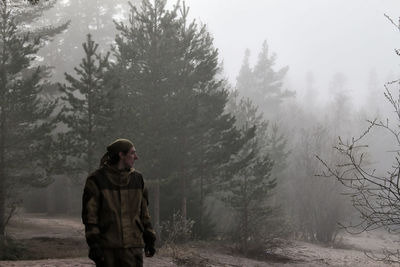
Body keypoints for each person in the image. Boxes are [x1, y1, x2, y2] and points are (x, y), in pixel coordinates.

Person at [82, 139, 156, 267]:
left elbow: (144, 213)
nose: (136, 157)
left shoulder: (138, 179)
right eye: (132, 153)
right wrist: (94, 244)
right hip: (107, 248)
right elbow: (90, 216)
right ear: (121, 154)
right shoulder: (96, 179)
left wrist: (149, 238)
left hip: (133, 247)